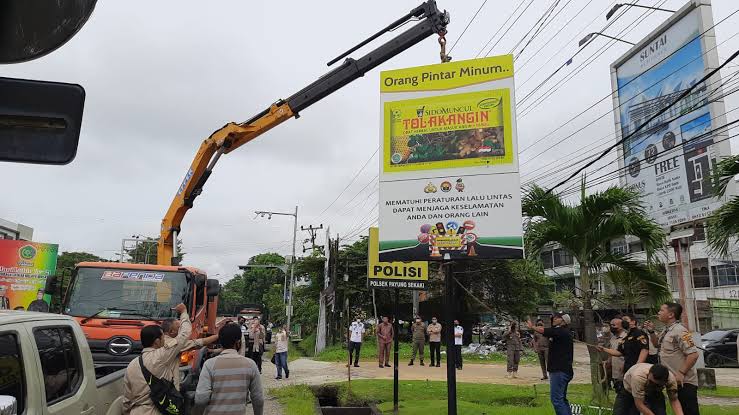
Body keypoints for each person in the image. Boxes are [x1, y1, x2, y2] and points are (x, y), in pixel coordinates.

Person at [123, 303, 193, 414]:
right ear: (157, 341)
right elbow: (184, 334)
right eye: (162, 337)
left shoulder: (132, 364)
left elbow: (127, 398)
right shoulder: (162, 356)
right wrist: (184, 313)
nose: (165, 340)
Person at [195, 322, 264, 415]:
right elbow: (258, 398)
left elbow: (201, 398)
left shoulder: (209, 365)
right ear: (238, 342)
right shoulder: (250, 365)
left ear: (220, 342)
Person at [645, 302, 700, 415]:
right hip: (671, 380)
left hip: (684, 381)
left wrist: (681, 373)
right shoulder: (667, 330)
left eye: (661, 310)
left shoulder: (680, 331)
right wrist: (651, 331)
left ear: (671, 315)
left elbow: (693, 354)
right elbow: (656, 345)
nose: (658, 313)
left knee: (688, 411)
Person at [528, 312, 573, 415]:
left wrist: (532, 327)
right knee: (562, 399)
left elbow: (544, 330)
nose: (553, 318)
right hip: (564, 370)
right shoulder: (563, 332)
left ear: (563, 321)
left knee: (556, 400)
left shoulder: (560, 331)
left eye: (556, 317)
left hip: (559, 371)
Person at [160, 317, 219, 391]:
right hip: (169, 388)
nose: (181, 330)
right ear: (171, 331)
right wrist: (218, 335)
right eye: (179, 328)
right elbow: (200, 342)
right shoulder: (174, 343)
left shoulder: (158, 341)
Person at [614, 363, 683, 415]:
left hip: (655, 392)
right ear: (649, 373)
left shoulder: (671, 380)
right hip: (628, 390)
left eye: (654, 383)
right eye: (650, 381)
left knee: (660, 412)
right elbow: (639, 404)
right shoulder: (638, 377)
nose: (650, 384)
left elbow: (674, 400)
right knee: (621, 412)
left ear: (664, 382)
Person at [603, 317, 628, 393]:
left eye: (613, 325)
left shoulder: (626, 337)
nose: (611, 327)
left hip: (625, 371)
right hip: (615, 372)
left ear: (621, 326)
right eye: (610, 325)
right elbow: (611, 352)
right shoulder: (613, 338)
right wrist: (608, 362)